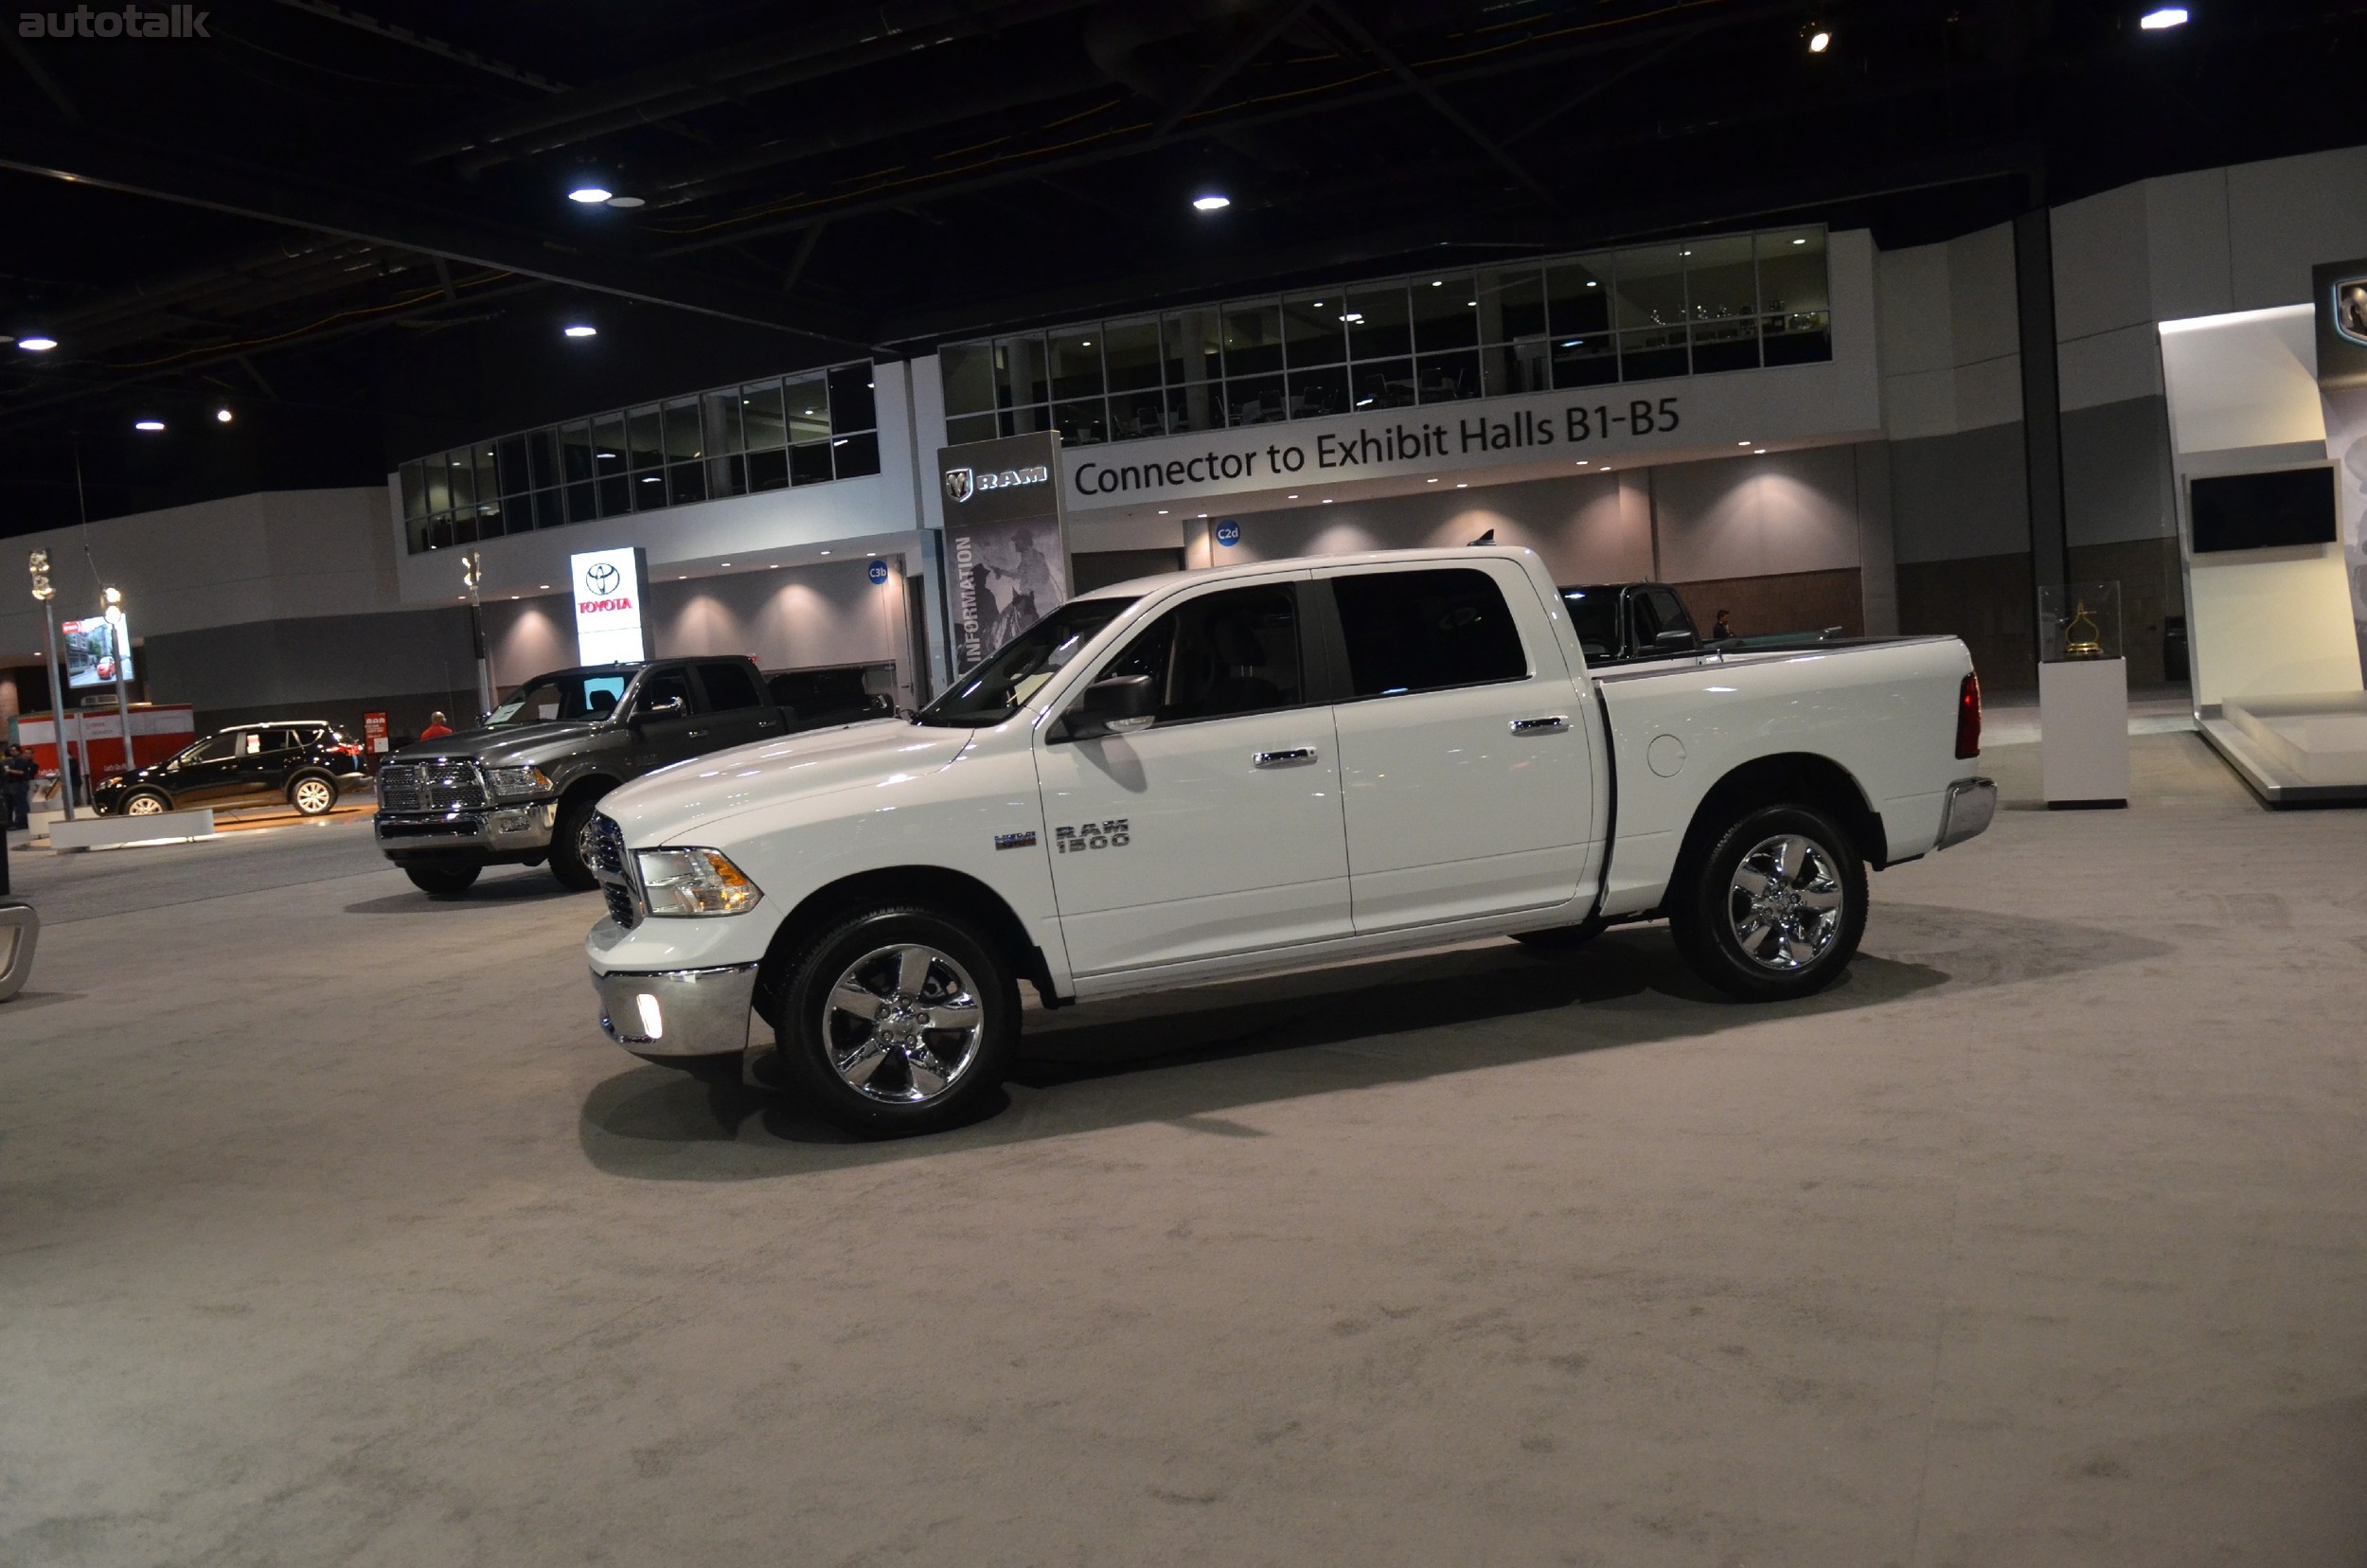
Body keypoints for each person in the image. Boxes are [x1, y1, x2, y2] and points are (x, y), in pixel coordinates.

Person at [2, 744, 36, 831]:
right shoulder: (14, 760)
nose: (12, 752)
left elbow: (21, 772)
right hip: (14, 784)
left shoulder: (20, 760)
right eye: (11, 750)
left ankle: (21, 823)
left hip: (20, 784)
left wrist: (9, 770)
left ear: (18, 751)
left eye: (13, 750)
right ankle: (19, 822)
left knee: (20, 804)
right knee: (16, 804)